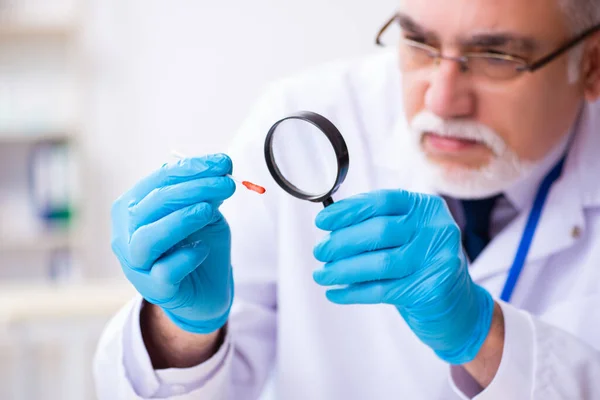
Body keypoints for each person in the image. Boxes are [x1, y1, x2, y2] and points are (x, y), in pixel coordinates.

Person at [93, 0, 600, 398]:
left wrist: (483, 336)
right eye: (418, 43)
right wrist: (181, 331)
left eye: (497, 58)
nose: (442, 101)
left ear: (592, 64)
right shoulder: (300, 114)